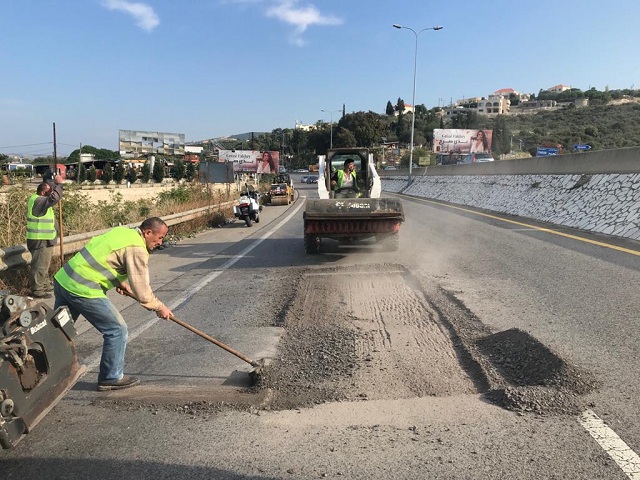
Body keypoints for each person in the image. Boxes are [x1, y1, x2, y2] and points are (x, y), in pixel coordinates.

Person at [53, 217, 173, 391]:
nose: (160, 242)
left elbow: (103, 258)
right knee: (117, 329)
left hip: (64, 280)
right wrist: (160, 307)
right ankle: (111, 377)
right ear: (148, 232)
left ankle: (43, 372)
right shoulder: (137, 248)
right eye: (160, 237)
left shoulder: (124, 232)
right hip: (83, 288)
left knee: (57, 332)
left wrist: (119, 282)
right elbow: (143, 292)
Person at [27, 174, 64, 299]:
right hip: (39, 239)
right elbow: (54, 198)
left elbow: (53, 195)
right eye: (49, 192)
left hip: (44, 238)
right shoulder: (39, 201)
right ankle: (38, 290)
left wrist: (56, 184)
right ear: (43, 192)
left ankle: (45, 284)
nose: (51, 193)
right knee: (40, 265)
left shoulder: (41, 200)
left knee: (44, 263)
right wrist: (60, 185)